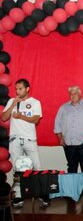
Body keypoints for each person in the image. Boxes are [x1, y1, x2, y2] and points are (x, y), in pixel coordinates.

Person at [1, 78, 50, 207]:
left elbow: (36, 120)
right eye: (16, 89)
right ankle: (18, 195)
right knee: (18, 168)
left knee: (37, 166)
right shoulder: (12, 101)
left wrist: (21, 116)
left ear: (27, 89)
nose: (18, 91)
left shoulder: (34, 102)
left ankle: (43, 193)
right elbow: (4, 117)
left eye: (20, 89)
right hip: (15, 139)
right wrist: (12, 105)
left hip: (29, 139)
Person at [54, 86, 83, 198]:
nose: (73, 96)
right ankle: (71, 191)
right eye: (71, 94)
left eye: (75, 94)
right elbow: (57, 123)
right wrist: (60, 137)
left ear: (80, 95)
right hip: (68, 142)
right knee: (71, 167)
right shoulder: (63, 108)